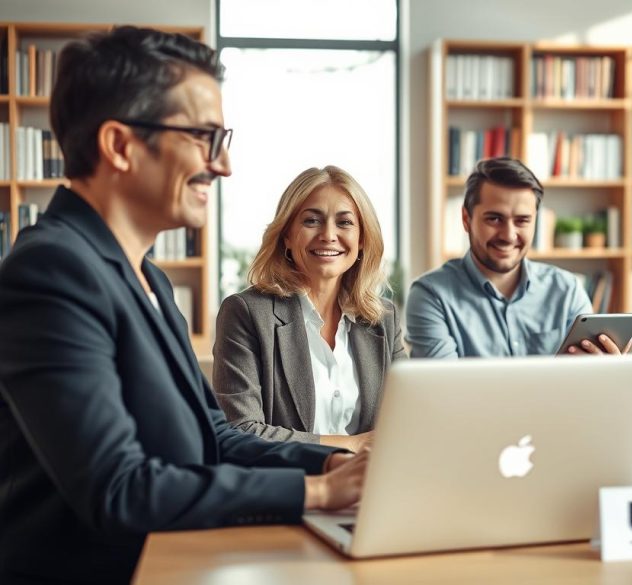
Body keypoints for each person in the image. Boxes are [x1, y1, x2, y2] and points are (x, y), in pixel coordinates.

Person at [0, 27, 366, 584]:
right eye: (203, 138)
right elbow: (119, 489)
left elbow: (213, 438)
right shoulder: (50, 272)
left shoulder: (147, 277)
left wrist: (334, 464)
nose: (223, 165)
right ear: (120, 145)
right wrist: (315, 492)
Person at [213, 166, 405, 453]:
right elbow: (241, 431)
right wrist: (350, 445)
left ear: (362, 239)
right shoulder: (245, 313)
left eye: (344, 223)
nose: (328, 235)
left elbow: (408, 420)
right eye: (312, 221)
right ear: (287, 236)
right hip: (294, 480)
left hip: (374, 477)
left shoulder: (384, 319)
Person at [406, 157, 624, 357]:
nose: (508, 236)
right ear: (466, 219)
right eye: (494, 219)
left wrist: (606, 371)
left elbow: (586, 380)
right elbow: (444, 385)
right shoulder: (432, 296)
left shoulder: (567, 291)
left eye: (522, 221)